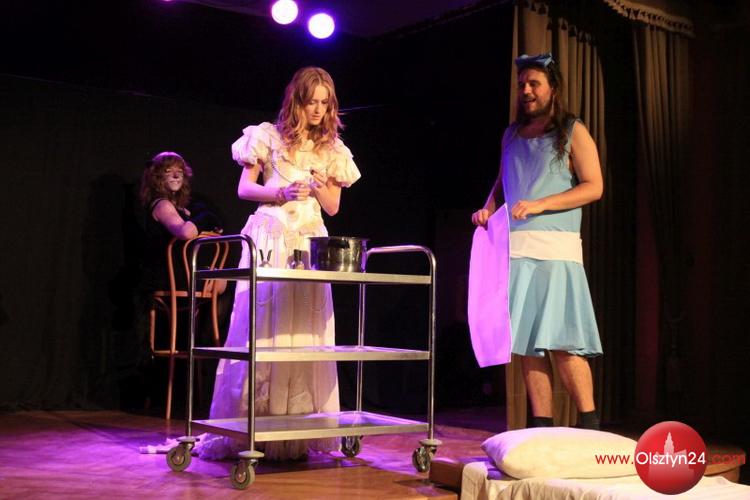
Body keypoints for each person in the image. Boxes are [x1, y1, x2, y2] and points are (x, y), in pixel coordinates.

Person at [199, 67, 361, 460]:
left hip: (308, 239)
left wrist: (319, 185)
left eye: (324, 103)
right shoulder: (266, 137)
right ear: (296, 101)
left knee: (303, 329)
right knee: (264, 327)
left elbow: (333, 207)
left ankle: (296, 431)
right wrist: (281, 192)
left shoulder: (332, 149)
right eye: (312, 102)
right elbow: (244, 188)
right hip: (270, 235)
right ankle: (254, 427)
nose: (318, 110)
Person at [471, 53, 604, 430]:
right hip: (517, 252)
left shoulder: (572, 130)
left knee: (563, 341)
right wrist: (487, 208)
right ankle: (542, 426)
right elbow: (502, 183)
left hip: (556, 252)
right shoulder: (511, 135)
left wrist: (541, 203)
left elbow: (594, 187)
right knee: (528, 343)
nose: (526, 91)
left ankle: (590, 424)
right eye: (521, 85)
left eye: (534, 84)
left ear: (553, 89)